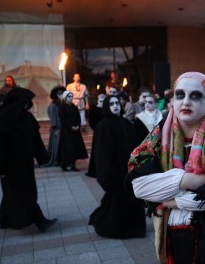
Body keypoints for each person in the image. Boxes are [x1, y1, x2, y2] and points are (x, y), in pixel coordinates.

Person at [125, 72, 205, 263]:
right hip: (172, 239)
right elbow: (138, 185)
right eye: (180, 95)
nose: (186, 102)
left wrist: (171, 201)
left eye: (195, 96)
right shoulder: (161, 133)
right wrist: (189, 180)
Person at [0, 88, 57, 232]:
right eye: (26, 101)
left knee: (13, 192)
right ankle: (40, 221)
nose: (29, 104)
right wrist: (0, 168)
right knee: (24, 192)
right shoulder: (2, 120)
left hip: (25, 162)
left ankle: (3, 219)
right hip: (9, 165)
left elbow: (35, 140)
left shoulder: (26, 118)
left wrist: (42, 157)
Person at [89, 95, 146, 238]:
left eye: (117, 103)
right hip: (115, 173)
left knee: (132, 201)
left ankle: (134, 230)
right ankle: (114, 228)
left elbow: (135, 144)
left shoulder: (126, 122)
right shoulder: (103, 125)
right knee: (116, 203)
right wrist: (106, 175)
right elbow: (102, 152)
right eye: (112, 104)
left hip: (129, 171)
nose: (115, 106)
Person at [57, 90, 88, 172]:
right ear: (65, 97)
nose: (71, 98)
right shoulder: (62, 107)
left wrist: (78, 125)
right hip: (67, 130)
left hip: (75, 130)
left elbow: (78, 117)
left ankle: (73, 165)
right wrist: (70, 126)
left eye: (71, 96)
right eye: (69, 96)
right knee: (67, 147)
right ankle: (64, 164)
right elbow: (62, 119)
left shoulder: (74, 107)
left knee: (75, 147)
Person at [43, 85, 66, 167]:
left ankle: (62, 159)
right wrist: (55, 128)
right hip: (57, 128)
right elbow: (53, 119)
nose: (61, 95)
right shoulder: (53, 106)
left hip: (62, 128)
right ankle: (56, 160)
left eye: (62, 93)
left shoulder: (61, 104)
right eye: (59, 93)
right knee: (56, 145)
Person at [86, 93, 106, 178]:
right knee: (96, 151)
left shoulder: (106, 110)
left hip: (106, 134)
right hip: (98, 134)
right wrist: (97, 129)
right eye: (100, 101)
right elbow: (91, 122)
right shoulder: (94, 109)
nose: (101, 103)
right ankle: (94, 171)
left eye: (103, 101)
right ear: (98, 100)